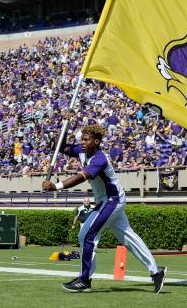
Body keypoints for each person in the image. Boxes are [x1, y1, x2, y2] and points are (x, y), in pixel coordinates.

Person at [42, 124, 166, 293]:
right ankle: (156, 271)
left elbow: (80, 177)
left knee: (87, 235)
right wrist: (66, 124)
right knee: (128, 237)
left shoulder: (99, 159)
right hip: (108, 200)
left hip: (112, 200)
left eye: (87, 140)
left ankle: (84, 280)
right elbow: (62, 147)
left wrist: (56, 186)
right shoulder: (82, 151)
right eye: (82, 139)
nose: (83, 142)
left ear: (97, 141)